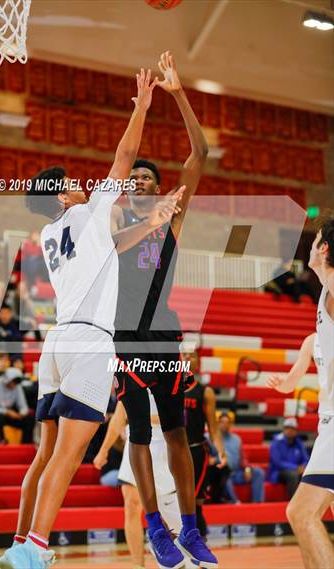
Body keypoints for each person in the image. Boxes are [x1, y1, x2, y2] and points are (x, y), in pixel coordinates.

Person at [0, 68, 181, 569]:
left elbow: (111, 248)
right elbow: (123, 160)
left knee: (44, 454)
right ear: (62, 195)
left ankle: (17, 542)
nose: (80, 183)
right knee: (67, 457)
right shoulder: (90, 210)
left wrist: (151, 222)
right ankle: (35, 549)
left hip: (56, 343)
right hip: (90, 344)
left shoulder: (52, 235)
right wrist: (141, 108)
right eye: (70, 183)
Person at [111, 52, 215, 569]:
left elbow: (200, 153)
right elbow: (123, 238)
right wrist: (154, 215)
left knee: (178, 433)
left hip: (165, 338)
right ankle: (155, 526)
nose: (142, 182)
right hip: (126, 339)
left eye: (150, 180)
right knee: (139, 431)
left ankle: (191, 528)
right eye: (137, 180)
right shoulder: (118, 222)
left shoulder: (170, 221)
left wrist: (177, 95)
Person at [267, 215, 334, 569]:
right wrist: (290, 379)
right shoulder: (323, 294)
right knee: (309, 514)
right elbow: (316, 343)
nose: (309, 246)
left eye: (314, 240)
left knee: (302, 513)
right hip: (327, 424)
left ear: (323, 248)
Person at [94, 393, 182, 569]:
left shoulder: (169, 372)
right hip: (136, 443)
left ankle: (181, 557)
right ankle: (137, 564)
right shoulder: (129, 373)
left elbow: (175, 415)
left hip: (163, 448)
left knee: (170, 515)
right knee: (132, 505)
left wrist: (139, 415)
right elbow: (119, 416)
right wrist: (104, 450)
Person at [182, 349, 227, 536]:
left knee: (195, 501)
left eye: (191, 355)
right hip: (172, 450)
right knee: (173, 499)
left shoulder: (205, 392)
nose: (186, 357)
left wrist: (221, 451)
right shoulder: (167, 388)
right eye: (183, 354)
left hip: (196, 450)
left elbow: (213, 427)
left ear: (197, 362)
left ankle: (200, 542)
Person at [218, 412, 265, 504]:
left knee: (259, 473)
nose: (225, 425)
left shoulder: (237, 439)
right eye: (222, 422)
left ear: (231, 424)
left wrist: (247, 469)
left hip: (237, 473)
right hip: (222, 473)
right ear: (218, 423)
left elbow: (243, 458)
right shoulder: (214, 439)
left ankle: (257, 503)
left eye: (228, 422)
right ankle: (236, 502)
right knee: (225, 477)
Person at [0, 367, 33, 444]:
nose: (14, 384)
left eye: (16, 382)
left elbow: (23, 405)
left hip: (11, 414)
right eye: (13, 381)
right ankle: (0, 441)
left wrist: (22, 413)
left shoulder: (17, 386)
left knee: (29, 418)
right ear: (7, 379)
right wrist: (6, 412)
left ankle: (25, 443)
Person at [267, 417, 309, 499]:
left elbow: (305, 459)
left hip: (296, 471)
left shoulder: (299, 443)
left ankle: (306, 500)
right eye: (287, 428)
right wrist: (296, 468)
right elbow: (277, 463)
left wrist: (303, 467)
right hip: (279, 472)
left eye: (292, 429)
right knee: (293, 475)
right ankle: (291, 501)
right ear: (284, 429)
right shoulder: (276, 442)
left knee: (308, 474)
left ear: (296, 431)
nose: (290, 431)